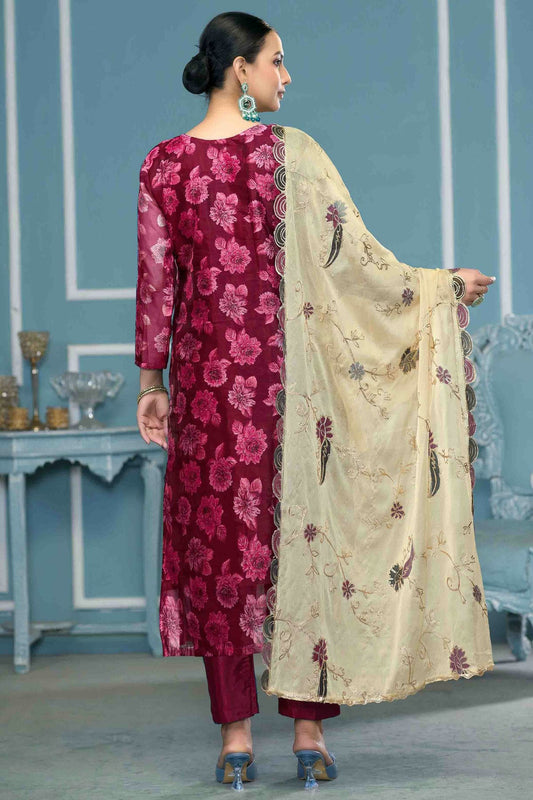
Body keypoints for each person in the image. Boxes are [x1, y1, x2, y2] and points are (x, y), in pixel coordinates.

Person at [135, 12, 495, 791]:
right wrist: (440, 287)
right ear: (240, 69)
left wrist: (150, 382)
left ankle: (236, 741)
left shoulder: (163, 165)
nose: (286, 75)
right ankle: (307, 736)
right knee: (304, 546)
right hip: (291, 388)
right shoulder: (288, 155)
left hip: (206, 389)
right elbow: (358, 267)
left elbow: (157, 286)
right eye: (276, 60)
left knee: (222, 561)